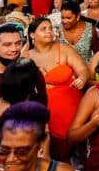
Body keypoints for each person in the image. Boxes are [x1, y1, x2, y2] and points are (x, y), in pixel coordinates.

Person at [24, 16, 90, 160]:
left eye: (50, 28)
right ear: (32, 35)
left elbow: (82, 69)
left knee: (79, 149)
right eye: (43, 29)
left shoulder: (64, 49)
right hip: (44, 110)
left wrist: (82, 79)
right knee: (53, 152)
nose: (49, 32)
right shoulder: (26, 56)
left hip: (71, 106)